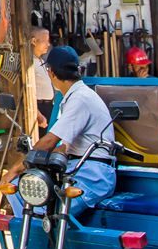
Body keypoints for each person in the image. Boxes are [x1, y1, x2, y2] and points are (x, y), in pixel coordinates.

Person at [30, 45, 116, 217]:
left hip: (92, 172)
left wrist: (15, 169)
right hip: (76, 168)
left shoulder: (80, 99)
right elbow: (63, 146)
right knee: (30, 196)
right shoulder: (71, 98)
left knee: (46, 210)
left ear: (51, 73)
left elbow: (49, 141)